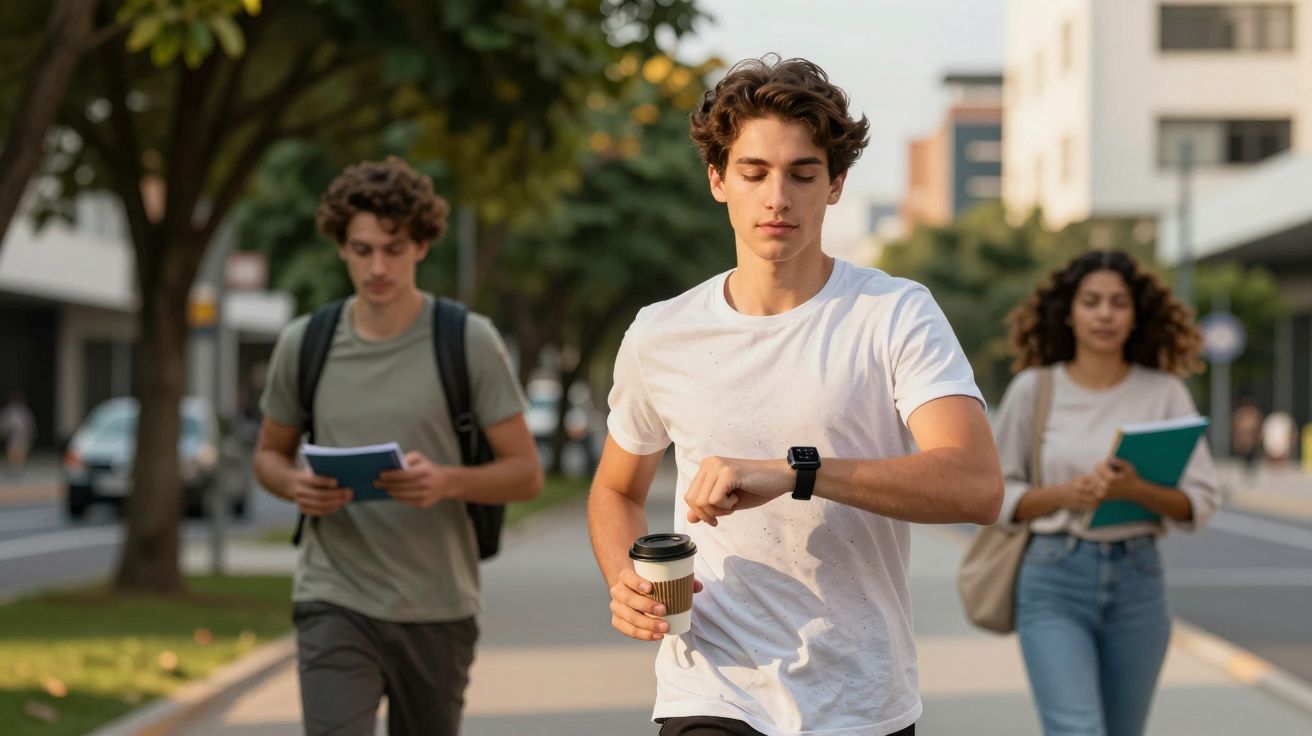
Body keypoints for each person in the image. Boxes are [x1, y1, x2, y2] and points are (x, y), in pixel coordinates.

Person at [587, 56, 1003, 736]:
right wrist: (626, 577)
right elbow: (615, 489)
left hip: (861, 698)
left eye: (803, 174)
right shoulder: (660, 333)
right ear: (717, 179)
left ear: (835, 184)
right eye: (753, 173)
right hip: (711, 688)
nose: (777, 197)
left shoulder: (895, 313)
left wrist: (796, 472)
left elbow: (976, 486)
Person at [252, 158, 542, 736]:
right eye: (362, 250)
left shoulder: (467, 341)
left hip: (437, 605)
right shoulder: (304, 343)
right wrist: (295, 485)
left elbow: (526, 474)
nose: (378, 267)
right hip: (334, 596)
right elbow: (267, 456)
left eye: (394, 248)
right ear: (341, 247)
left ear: (422, 246)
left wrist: (446, 480)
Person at [991, 250, 1219, 736]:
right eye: (1091, 301)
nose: (1105, 314)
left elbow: (1199, 503)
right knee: (1076, 728)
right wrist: (1064, 495)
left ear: (1136, 315)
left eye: (1119, 303)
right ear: (1068, 312)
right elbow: (996, 495)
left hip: (1140, 580)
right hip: (1053, 577)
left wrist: (1136, 489)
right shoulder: (1034, 389)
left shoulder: (1165, 392)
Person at [1, 391, 36, 479]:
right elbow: (3, 422)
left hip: (22, 436)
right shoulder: (8, 411)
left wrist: (29, 434)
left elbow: (29, 424)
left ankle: (18, 469)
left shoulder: (24, 411)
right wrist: (3, 432)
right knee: (12, 453)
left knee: (20, 453)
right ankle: (12, 469)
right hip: (12, 436)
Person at [1231, 397, 1263, 477]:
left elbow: (1257, 427)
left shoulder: (1254, 414)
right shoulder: (1240, 414)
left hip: (1251, 441)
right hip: (1243, 441)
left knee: (1251, 456)